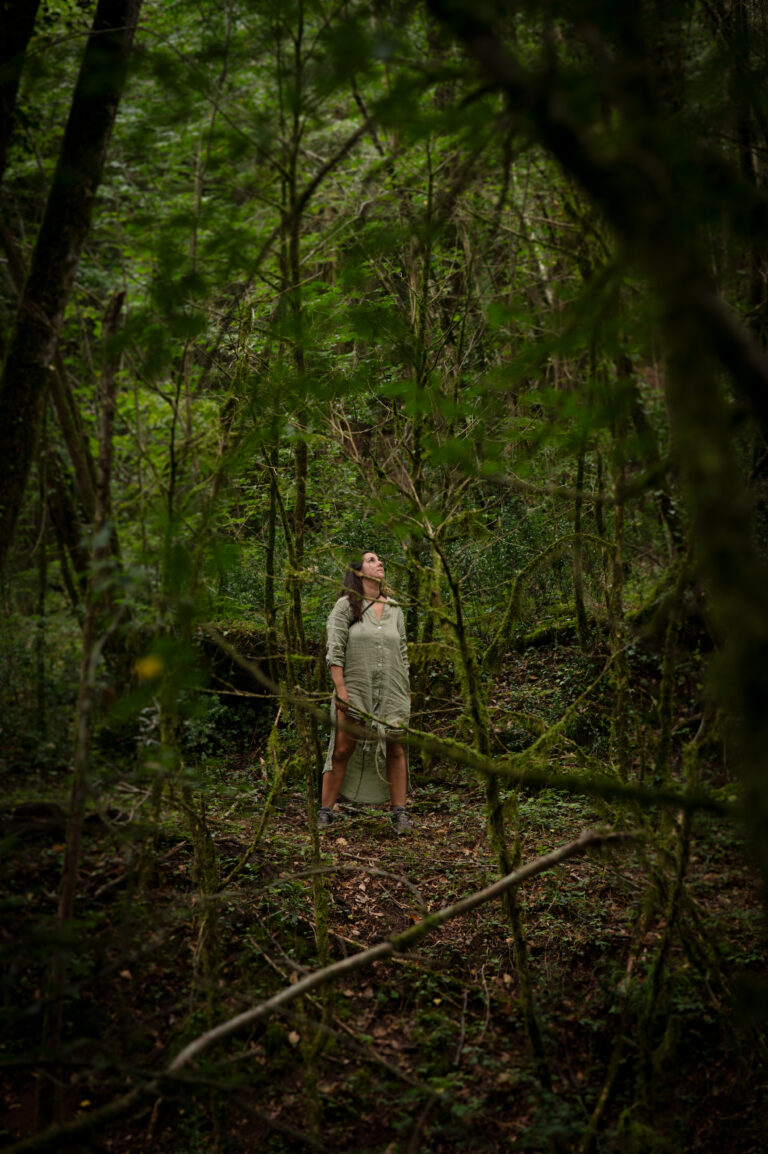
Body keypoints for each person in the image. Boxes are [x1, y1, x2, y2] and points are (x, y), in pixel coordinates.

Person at [317, 551, 413, 835]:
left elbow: (404, 653)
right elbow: (334, 650)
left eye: (381, 560)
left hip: (393, 691)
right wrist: (341, 690)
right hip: (356, 689)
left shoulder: (395, 609)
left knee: (395, 748)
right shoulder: (346, 606)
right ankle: (325, 811)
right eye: (372, 560)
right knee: (343, 749)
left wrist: (406, 690)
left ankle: (400, 813)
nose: (380, 563)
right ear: (358, 573)